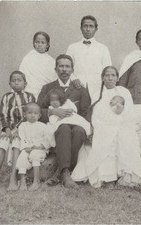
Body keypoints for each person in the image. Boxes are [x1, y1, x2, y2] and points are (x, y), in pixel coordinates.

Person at [72, 66, 141, 191]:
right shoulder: (97, 92)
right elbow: (95, 114)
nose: (110, 78)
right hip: (103, 126)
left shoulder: (123, 92)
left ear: (117, 78)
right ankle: (108, 178)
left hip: (123, 124)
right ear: (102, 78)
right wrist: (106, 123)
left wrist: (119, 118)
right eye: (107, 75)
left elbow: (129, 112)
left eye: (113, 75)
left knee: (126, 139)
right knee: (106, 141)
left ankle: (125, 177)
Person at [37, 54, 91, 189]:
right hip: (56, 128)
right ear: (56, 69)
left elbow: (86, 113)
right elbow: (37, 111)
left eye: (67, 66)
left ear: (72, 70)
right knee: (64, 128)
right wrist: (52, 112)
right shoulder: (47, 88)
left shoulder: (81, 89)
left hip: (77, 126)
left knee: (79, 131)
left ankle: (60, 172)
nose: (64, 69)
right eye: (61, 66)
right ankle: (66, 173)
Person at [0, 71, 35, 190]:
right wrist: (7, 129)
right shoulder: (6, 97)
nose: (16, 83)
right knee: (2, 143)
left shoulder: (30, 96)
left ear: (25, 83)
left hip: (23, 129)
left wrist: (18, 129)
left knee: (16, 144)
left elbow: (29, 115)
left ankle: (13, 178)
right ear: (10, 83)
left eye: (19, 80)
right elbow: (2, 115)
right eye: (14, 80)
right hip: (8, 129)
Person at [66, 15, 112, 101]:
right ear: (81, 28)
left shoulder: (103, 48)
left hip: (97, 88)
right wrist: (73, 78)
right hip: (77, 87)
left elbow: (108, 70)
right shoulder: (72, 47)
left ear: (96, 29)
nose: (88, 29)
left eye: (91, 26)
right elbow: (66, 67)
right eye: (85, 26)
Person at [15, 103, 51, 191]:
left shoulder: (43, 126)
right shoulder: (23, 126)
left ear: (39, 115)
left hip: (39, 149)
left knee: (35, 155)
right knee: (22, 157)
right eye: (30, 113)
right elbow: (22, 138)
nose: (32, 115)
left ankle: (36, 180)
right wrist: (26, 147)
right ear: (25, 114)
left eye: (35, 113)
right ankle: (22, 181)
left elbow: (48, 138)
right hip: (28, 148)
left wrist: (41, 146)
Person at [19, 31, 57, 98]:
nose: (39, 45)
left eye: (43, 42)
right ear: (34, 43)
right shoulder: (29, 57)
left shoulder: (51, 60)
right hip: (30, 89)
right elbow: (22, 73)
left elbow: (54, 77)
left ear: (47, 45)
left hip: (45, 92)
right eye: (37, 42)